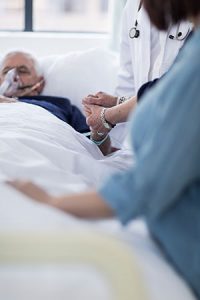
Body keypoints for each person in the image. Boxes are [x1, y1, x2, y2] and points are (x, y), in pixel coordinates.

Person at [9, 0, 200, 298]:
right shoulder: (174, 41)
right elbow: (110, 129)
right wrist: (108, 120)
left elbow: (146, 184)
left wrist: (51, 202)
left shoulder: (58, 106)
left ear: (40, 80)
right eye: (6, 71)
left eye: (23, 70)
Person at [82, 0, 192, 144]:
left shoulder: (193, 12)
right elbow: (128, 83)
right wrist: (114, 109)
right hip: (142, 141)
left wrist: (108, 116)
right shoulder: (132, 7)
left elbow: (174, 84)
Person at [0, 51, 89, 134]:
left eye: (23, 71)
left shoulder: (63, 105)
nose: (13, 77)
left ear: (40, 83)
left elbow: (90, 141)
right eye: (6, 72)